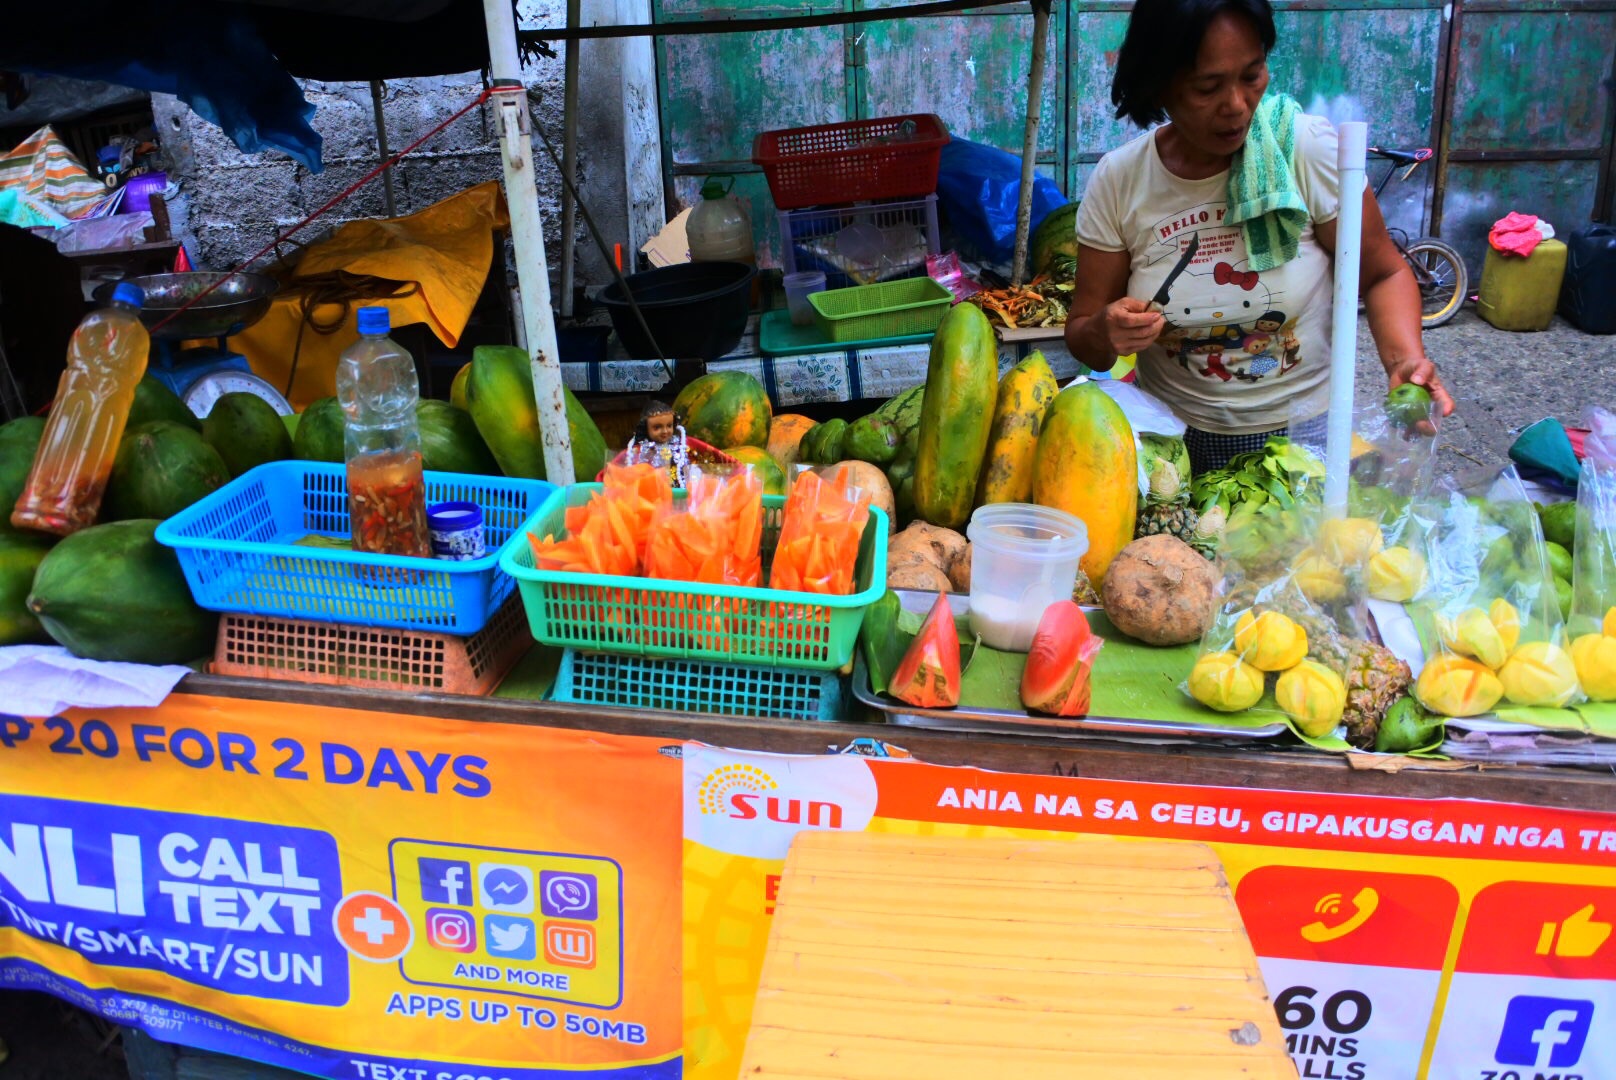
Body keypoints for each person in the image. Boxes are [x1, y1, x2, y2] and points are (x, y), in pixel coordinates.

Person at [1063, 0, 1455, 474]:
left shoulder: (1304, 151)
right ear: (1160, 85)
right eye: (1207, 87)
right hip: (1171, 440)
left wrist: (1403, 361)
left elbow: (1383, 271)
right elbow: (1083, 334)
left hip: (1305, 436)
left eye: (1251, 76)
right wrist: (1106, 331)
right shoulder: (1121, 180)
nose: (1236, 105)